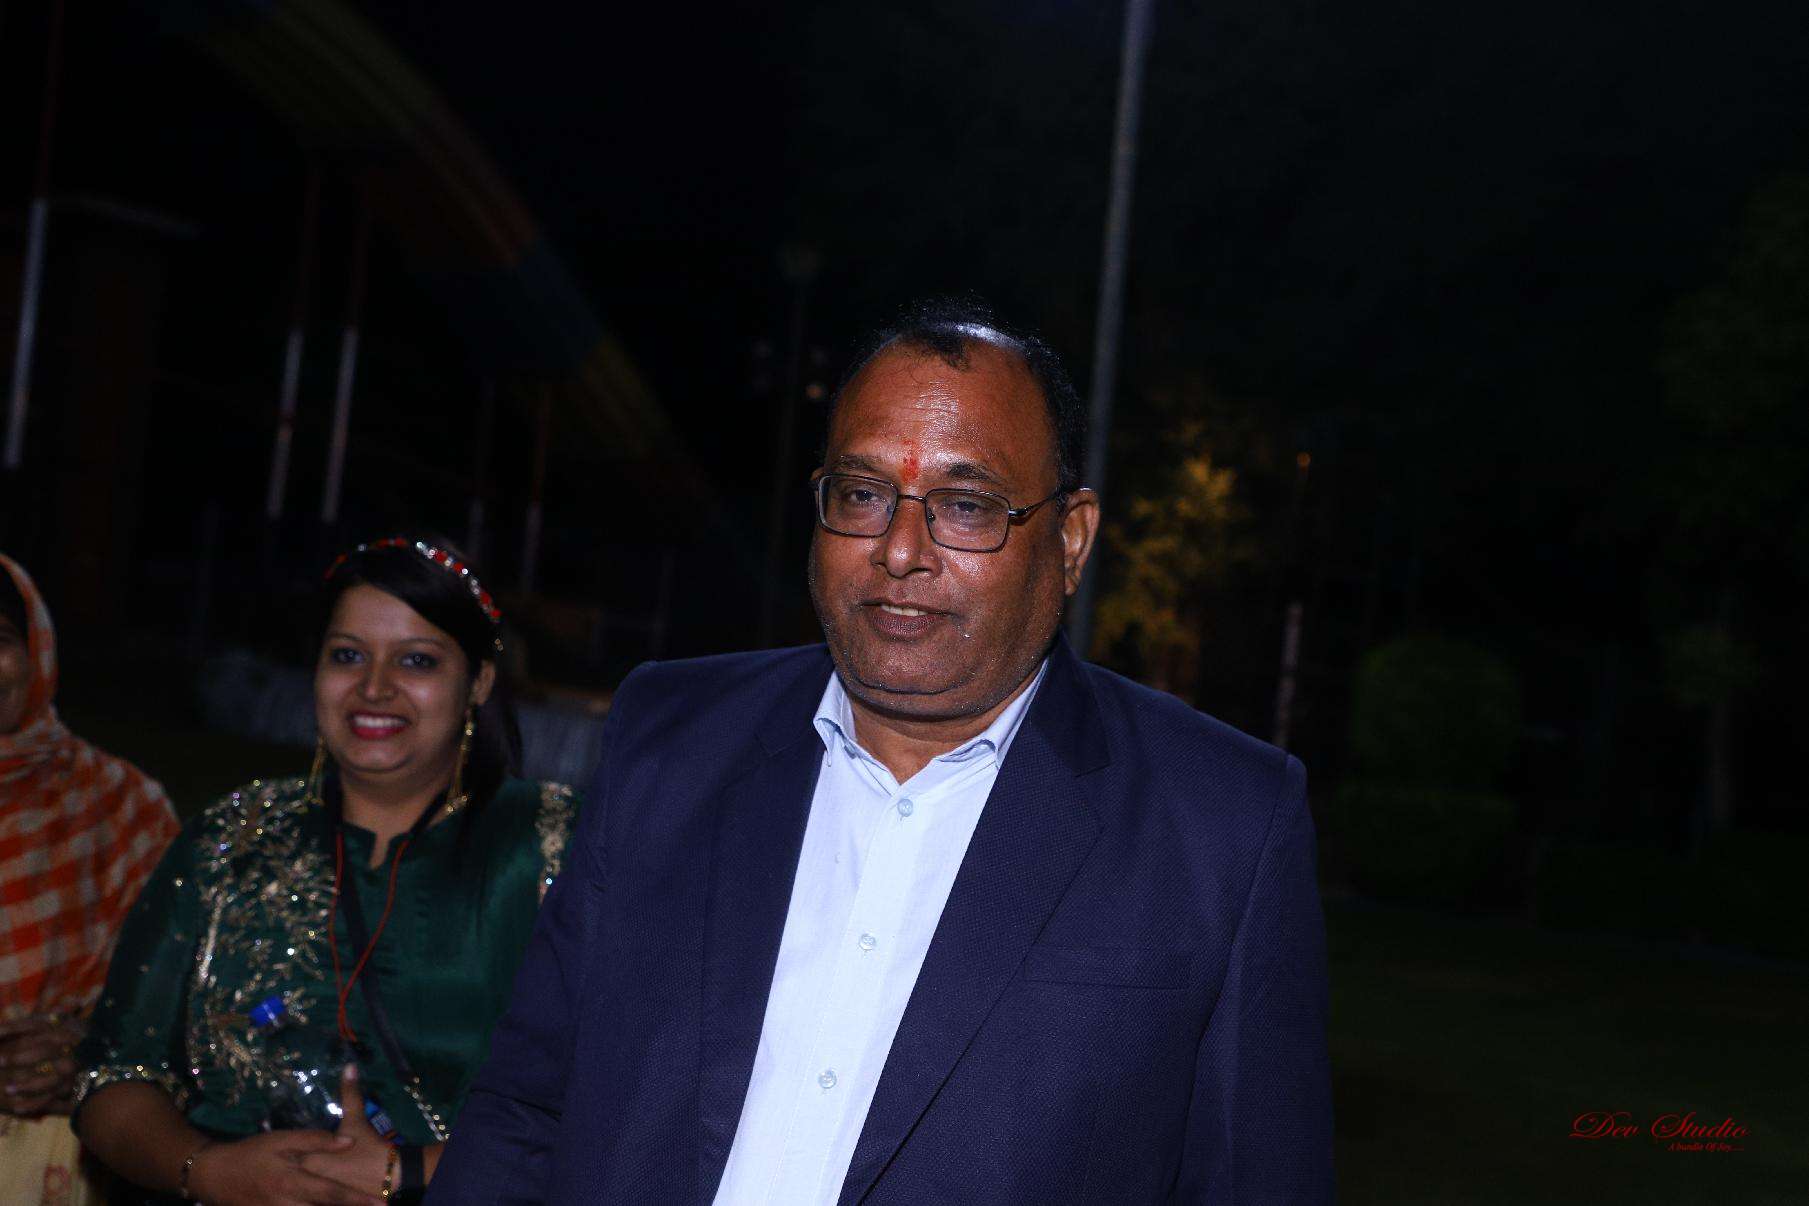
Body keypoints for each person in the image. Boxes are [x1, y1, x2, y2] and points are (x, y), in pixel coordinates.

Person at [433, 298, 1335, 1204]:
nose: (899, 551)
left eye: (966, 506)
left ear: (1069, 541)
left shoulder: (1221, 826)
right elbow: (525, 1108)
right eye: (862, 495)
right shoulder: (672, 736)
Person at [74, 537, 582, 1206]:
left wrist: (408, 1171)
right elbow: (114, 1074)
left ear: (479, 682)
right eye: (347, 655)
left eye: (417, 660)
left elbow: (626, 1086)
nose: (374, 687)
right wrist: (210, 1170)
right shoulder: (231, 838)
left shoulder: (553, 845)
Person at [0, 553, 180, 1206]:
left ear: (37, 653)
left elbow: (185, 1005)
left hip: (67, 1158)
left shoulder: (120, 806)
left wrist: (90, 1051)